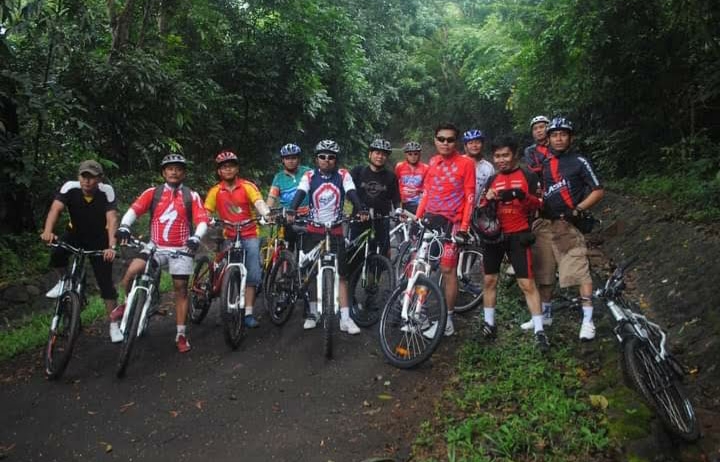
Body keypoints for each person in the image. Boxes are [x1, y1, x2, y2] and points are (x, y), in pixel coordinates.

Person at [115, 153, 209, 353]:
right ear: (163, 172)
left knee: (180, 288)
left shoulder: (191, 195)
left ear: (183, 173)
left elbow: (202, 220)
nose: (174, 172)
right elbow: (135, 210)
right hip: (155, 245)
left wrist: (196, 238)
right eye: (170, 168)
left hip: (181, 249)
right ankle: (126, 304)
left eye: (178, 169)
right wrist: (124, 226)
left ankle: (181, 334)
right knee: (132, 271)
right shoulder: (153, 192)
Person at [522, 117, 604, 341]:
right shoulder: (544, 164)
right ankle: (545, 314)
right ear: (548, 139)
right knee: (544, 272)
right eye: (554, 134)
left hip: (567, 224)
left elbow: (597, 190)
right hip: (544, 223)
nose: (558, 138)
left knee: (578, 270)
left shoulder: (579, 161)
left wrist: (578, 209)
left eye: (563, 134)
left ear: (570, 138)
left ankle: (588, 321)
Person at [286, 140, 366, 334]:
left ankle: (345, 319)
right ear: (316, 159)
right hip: (314, 230)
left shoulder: (343, 175)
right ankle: (313, 313)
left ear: (336, 160)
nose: (327, 160)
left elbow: (351, 192)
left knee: (343, 275)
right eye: (322, 156)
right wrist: (292, 209)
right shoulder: (309, 175)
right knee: (312, 273)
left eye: (331, 157)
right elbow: (301, 192)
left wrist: (361, 207)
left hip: (336, 230)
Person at [477, 137, 549, 352]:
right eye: (497, 156)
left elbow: (541, 204)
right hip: (495, 236)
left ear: (514, 154)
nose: (501, 160)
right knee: (489, 280)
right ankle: (489, 324)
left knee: (526, 283)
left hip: (519, 234)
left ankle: (539, 330)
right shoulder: (491, 179)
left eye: (505, 155)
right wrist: (488, 198)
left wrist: (522, 196)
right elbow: (480, 208)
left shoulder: (528, 175)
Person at [41, 160, 121, 342]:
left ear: (99, 179)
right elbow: (55, 209)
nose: (87, 181)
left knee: (105, 283)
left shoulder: (106, 191)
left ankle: (114, 324)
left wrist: (111, 246)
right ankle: (64, 280)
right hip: (75, 233)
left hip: (99, 239)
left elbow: (112, 220)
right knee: (57, 254)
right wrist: (47, 231)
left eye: (92, 178)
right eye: (84, 176)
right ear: (79, 177)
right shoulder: (70, 188)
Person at [415, 123, 476, 337]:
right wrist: (417, 217)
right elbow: (426, 192)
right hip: (432, 221)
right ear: (435, 140)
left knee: (448, 271)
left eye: (450, 139)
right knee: (424, 268)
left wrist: (464, 228)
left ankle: (448, 320)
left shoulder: (466, 163)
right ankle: (419, 312)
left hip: (453, 224)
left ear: (456, 142)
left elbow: (470, 196)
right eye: (441, 139)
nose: (445, 143)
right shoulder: (433, 162)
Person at [204, 150, 271, 328]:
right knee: (224, 272)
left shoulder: (247, 186)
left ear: (237, 168)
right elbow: (206, 210)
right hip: (229, 235)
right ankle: (225, 299)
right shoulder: (215, 191)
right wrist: (206, 219)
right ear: (219, 171)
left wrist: (265, 214)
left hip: (249, 234)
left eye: (231, 166)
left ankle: (248, 312)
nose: (228, 170)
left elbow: (258, 202)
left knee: (253, 274)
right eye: (224, 167)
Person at [350, 138, 400, 256]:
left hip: (381, 220)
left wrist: (399, 211)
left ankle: (377, 273)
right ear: (370, 154)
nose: (380, 157)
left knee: (382, 254)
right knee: (355, 254)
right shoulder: (358, 172)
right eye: (377, 153)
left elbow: (396, 198)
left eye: (384, 154)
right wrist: (358, 208)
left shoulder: (391, 176)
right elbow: (349, 192)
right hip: (360, 218)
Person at [266, 143, 312, 251]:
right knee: (285, 247)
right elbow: (272, 197)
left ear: (299, 159)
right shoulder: (279, 177)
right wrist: (268, 212)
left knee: (308, 247)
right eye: (287, 158)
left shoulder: (308, 172)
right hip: (287, 217)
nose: (290, 161)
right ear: (283, 160)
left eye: (294, 158)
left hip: (307, 216)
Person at [395, 141, 428, 214]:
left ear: (419, 154)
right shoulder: (399, 166)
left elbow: (427, 187)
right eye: (410, 154)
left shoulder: (425, 168)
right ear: (406, 155)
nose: (413, 157)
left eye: (416, 154)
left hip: (418, 203)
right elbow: (395, 183)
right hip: (403, 202)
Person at [462, 129, 495, 203]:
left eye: (477, 142)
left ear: (482, 144)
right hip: (457, 210)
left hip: (478, 210)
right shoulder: (458, 163)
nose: (474, 146)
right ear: (465, 146)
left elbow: (490, 190)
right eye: (470, 143)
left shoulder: (488, 168)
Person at [523, 115, 551, 182]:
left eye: (541, 127)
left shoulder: (556, 146)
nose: (538, 131)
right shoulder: (530, 150)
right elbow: (532, 170)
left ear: (548, 128)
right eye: (535, 129)